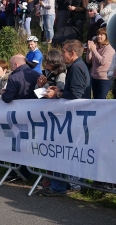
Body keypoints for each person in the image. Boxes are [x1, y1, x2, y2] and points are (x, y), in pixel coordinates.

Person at [40, 40, 91, 196]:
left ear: (73, 53)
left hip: (74, 116)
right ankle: (71, 184)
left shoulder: (76, 68)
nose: (61, 54)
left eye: (63, 51)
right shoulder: (77, 66)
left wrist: (58, 94)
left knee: (62, 151)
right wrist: (59, 89)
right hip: (74, 116)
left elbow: (75, 94)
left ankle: (60, 187)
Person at [86, 27, 114, 99]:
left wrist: (94, 51)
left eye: (102, 34)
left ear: (107, 36)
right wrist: (89, 50)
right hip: (94, 77)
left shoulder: (109, 48)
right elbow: (88, 60)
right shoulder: (97, 46)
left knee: (101, 99)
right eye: (98, 34)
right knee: (95, 99)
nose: (99, 36)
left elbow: (102, 61)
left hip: (104, 79)